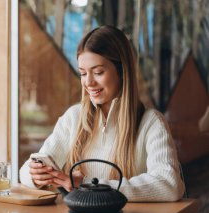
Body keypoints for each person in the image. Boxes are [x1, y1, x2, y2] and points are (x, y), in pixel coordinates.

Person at [19, 25, 185, 202]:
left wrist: (89, 186)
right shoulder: (73, 118)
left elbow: (169, 184)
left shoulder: (151, 123)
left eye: (98, 72)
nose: (88, 82)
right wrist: (37, 175)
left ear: (122, 72)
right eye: (83, 73)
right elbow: (26, 172)